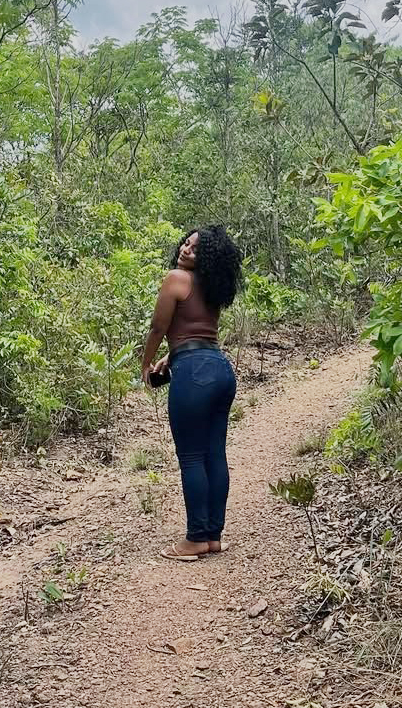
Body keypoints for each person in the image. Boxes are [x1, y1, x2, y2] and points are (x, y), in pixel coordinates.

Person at [141, 225, 242, 561]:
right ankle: (213, 536)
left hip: (194, 375)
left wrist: (146, 363)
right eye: (186, 243)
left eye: (195, 249)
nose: (186, 250)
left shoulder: (176, 279)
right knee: (215, 454)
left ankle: (195, 538)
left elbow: (159, 327)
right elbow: (199, 332)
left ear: (207, 257)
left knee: (192, 457)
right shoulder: (211, 287)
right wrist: (172, 357)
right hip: (220, 370)